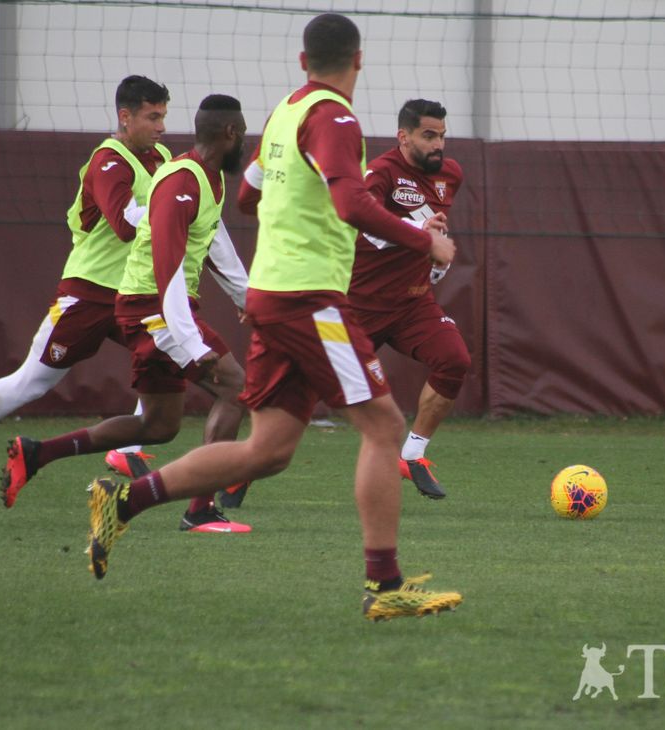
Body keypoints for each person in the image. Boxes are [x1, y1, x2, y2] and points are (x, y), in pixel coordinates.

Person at [84, 13, 464, 621]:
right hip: (310, 299)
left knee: (269, 449)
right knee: (386, 429)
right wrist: (426, 241)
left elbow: (248, 196)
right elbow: (350, 199)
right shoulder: (337, 117)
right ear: (358, 62)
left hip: (273, 294)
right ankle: (384, 584)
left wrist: (296, 215)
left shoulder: (285, 111)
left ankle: (123, 501)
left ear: (302, 61)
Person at [1, 94, 253, 533]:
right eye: (244, 132)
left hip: (157, 305)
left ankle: (37, 452)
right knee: (234, 386)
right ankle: (200, 510)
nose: (246, 141)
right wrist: (191, 343)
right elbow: (167, 266)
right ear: (230, 132)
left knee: (158, 426)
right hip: (152, 306)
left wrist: (249, 302)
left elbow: (217, 246)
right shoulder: (182, 180)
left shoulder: (209, 180)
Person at [0, 76, 170, 503]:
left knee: (167, 359)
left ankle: (126, 450)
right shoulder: (107, 162)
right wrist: (173, 210)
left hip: (134, 294)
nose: (161, 126)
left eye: (164, 116)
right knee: (31, 382)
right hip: (88, 295)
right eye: (153, 116)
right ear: (125, 117)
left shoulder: (161, 157)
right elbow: (127, 226)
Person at [237, 99, 469, 500]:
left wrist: (434, 262)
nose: (438, 145)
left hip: (413, 303)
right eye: (429, 136)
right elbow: (360, 224)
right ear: (404, 137)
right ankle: (244, 469)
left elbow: (435, 236)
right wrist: (420, 231)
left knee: (455, 361)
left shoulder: (451, 174)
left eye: (442, 136)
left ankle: (412, 455)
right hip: (360, 303)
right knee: (305, 393)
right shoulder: (379, 172)